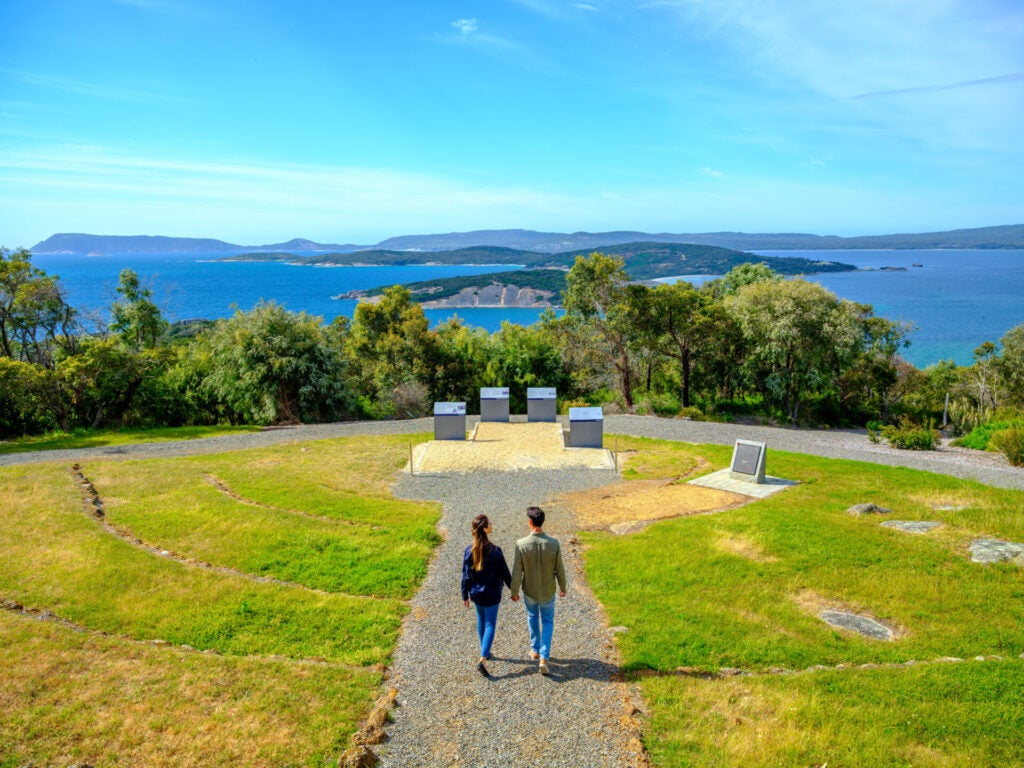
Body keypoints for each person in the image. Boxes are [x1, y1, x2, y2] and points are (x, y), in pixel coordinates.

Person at [509, 506, 566, 675]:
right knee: (548, 621)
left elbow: (517, 571)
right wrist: (563, 587)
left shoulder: (521, 544)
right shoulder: (554, 544)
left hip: (530, 590)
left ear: (530, 522)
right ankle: (544, 657)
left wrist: (514, 591)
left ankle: (534, 650)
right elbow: (559, 569)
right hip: (548, 590)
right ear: (543, 521)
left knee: (532, 616)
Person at [461, 513, 512, 677]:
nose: (492, 524)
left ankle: (486, 650)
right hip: (492, 594)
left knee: (481, 620)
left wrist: (465, 595)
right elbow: (505, 573)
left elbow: (466, 576)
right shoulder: (496, 551)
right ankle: (483, 658)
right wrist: (514, 590)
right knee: (490, 624)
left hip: (476, 594)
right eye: (489, 523)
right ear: (484, 528)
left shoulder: (469, 551)